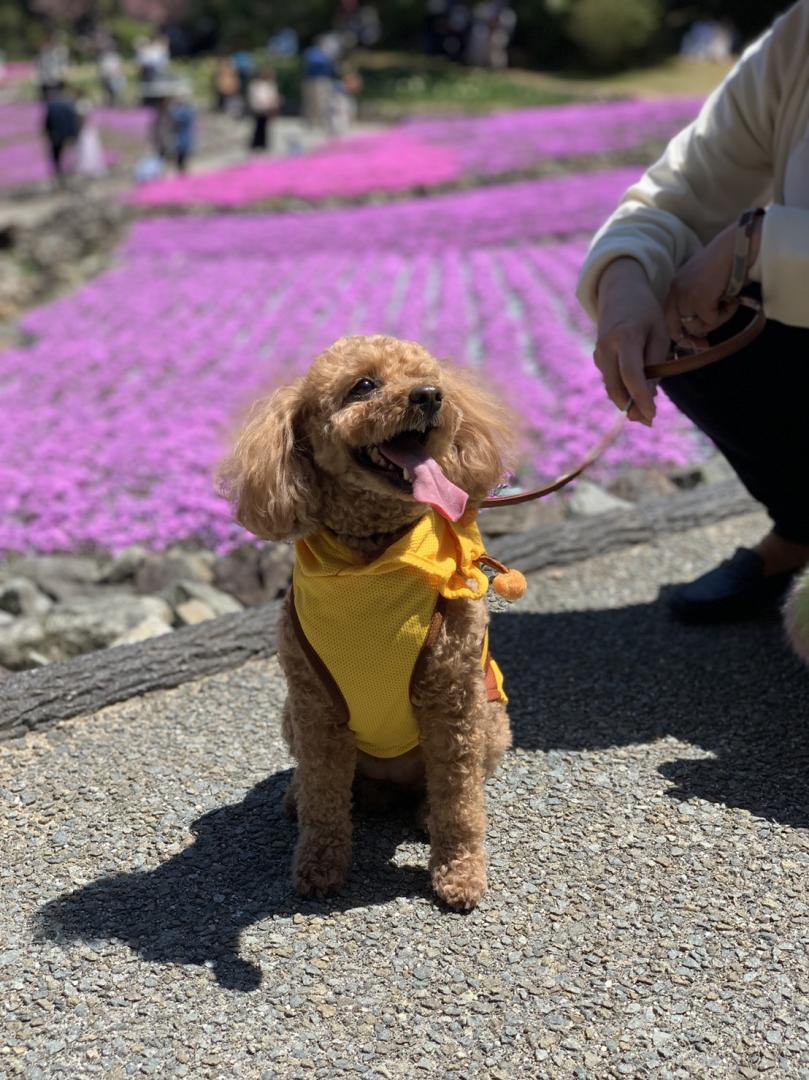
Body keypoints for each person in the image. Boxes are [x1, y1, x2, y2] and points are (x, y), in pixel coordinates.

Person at [577, 0, 809, 624]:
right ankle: (803, 529)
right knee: (687, 307)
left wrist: (757, 245)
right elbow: (672, 199)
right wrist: (626, 286)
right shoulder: (799, 41)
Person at [42, 84, 81, 188]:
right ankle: (69, 176)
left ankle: (60, 176)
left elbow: (47, 122)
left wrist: (46, 132)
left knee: (57, 157)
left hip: (56, 136)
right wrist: (74, 134)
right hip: (68, 135)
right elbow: (73, 120)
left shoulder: (51, 105)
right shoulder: (68, 103)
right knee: (69, 157)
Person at [247, 67, 280, 151]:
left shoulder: (270, 85)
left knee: (265, 127)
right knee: (258, 127)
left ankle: (263, 144)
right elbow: (254, 97)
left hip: (267, 109)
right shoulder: (256, 84)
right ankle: (256, 144)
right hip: (258, 108)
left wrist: (273, 106)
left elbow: (273, 97)